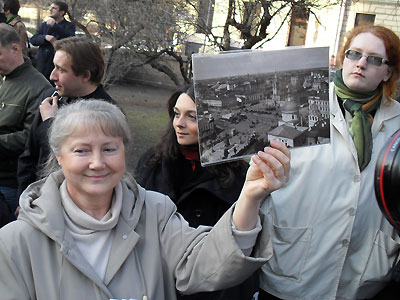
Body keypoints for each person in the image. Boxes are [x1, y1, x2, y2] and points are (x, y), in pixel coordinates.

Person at [0, 99, 290, 299]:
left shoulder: (155, 211)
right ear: (59, 157)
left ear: (125, 151)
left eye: (110, 149)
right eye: (81, 151)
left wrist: (250, 196)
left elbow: (207, 266)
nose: (98, 163)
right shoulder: (16, 241)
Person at [257, 25, 400, 300]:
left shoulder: (397, 124)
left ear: (388, 72)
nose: (360, 63)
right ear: (341, 58)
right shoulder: (299, 105)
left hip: (362, 274)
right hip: (292, 265)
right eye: (354, 54)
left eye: (374, 59)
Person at [136, 85, 258, 299]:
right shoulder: (153, 161)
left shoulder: (238, 175)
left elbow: (236, 247)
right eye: (176, 114)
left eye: (192, 117)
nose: (179, 124)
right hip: (157, 279)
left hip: (208, 285)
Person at [17, 36, 118, 199]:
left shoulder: (107, 114)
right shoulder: (51, 98)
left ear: (85, 75)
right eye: (53, 67)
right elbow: (29, 154)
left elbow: (70, 161)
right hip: (36, 198)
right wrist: (23, 196)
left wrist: (50, 123)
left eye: (61, 70)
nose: (52, 76)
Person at [0, 23, 51, 219]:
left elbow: (31, 138)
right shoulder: (3, 78)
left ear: (15, 48)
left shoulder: (38, 87)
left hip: (8, 183)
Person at [30, 1, 75, 82]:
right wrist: (45, 37)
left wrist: (55, 26)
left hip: (57, 65)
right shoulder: (44, 25)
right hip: (41, 64)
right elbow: (33, 39)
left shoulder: (69, 26)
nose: (50, 10)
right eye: (50, 8)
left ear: (61, 12)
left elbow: (70, 38)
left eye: (54, 8)